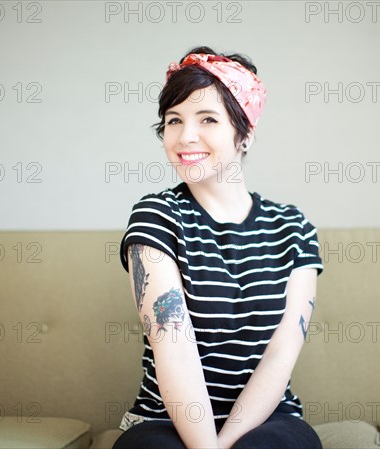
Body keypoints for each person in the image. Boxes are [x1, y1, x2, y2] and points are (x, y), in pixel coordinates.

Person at [114, 46, 324, 449]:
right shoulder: (157, 215)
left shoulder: (292, 227)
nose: (184, 136)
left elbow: (281, 353)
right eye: (173, 120)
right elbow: (171, 345)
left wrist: (226, 443)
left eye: (207, 118)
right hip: (166, 421)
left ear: (243, 132)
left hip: (267, 419)